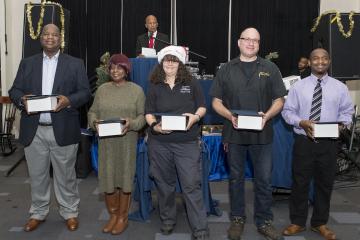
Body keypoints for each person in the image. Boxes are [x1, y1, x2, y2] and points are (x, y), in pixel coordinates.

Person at [8, 24, 91, 232]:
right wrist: (22, 100)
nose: (50, 38)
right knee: (37, 175)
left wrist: (68, 100)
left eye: (55, 35)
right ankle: (38, 212)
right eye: (46, 34)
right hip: (33, 130)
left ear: (60, 38)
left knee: (66, 176)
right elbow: (14, 90)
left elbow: (85, 93)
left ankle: (70, 212)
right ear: (41, 38)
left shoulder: (75, 63)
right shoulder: (27, 63)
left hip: (63, 129)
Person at [210, 27, 286, 240]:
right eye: (247, 39)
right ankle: (237, 219)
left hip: (262, 135)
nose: (251, 43)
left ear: (259, 44)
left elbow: (279, 100)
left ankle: (264, 221)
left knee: (263, 180)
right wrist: (230, 115)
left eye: (256, 40)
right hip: (234, 135)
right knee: (235, 179)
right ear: (239, 42)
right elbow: (215, 102)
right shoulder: (226, 69)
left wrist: (267, 116)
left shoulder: (270, 68)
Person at [281, 48, 354, 240]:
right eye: (315, 58)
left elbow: (347, 113)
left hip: (329, 144)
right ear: (309, 62)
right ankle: (297, 221)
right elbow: (287, 112)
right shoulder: (298, 87)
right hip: (304, 142)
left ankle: (319, 223)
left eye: (324, 59)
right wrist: (301, 122)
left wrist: (342, 124)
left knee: (325, 184)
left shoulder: (340, 88)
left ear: (329, 61)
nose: (320, 62)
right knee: (300, 183)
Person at [145, 46, 208, 240]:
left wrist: (195, 117)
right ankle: (168, 220)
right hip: (159, 143)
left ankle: (200, 229)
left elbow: (202, 107)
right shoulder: (154, 84)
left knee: (191, 185)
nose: (170, 63)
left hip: (187, 142)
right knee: (164, 184)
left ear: (180, 63)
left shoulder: (191, 82)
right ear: (161, 63)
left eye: (173, 60)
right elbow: (148, 112)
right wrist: (154, 125)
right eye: (166, 60)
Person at [88, 54, 146, 235]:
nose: (115, 70)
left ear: (126, 70)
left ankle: (123, 217)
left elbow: (143, 117)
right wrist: (94, 122)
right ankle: (113, 215)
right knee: (108, 178)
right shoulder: (102, 90)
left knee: (125, 179)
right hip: (106, 144)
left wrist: (131, 123)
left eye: (119, 67)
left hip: (127, 143)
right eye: (112, 67)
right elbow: (92, 112)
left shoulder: (136, 91)